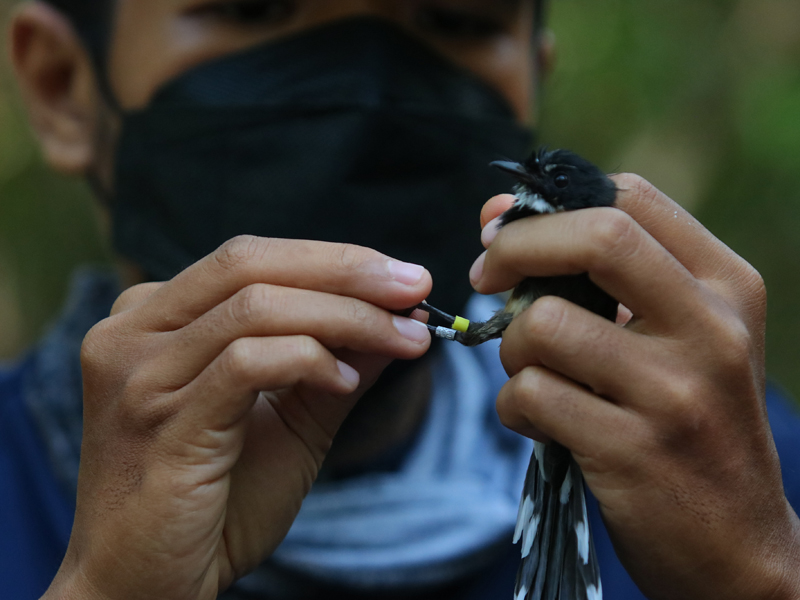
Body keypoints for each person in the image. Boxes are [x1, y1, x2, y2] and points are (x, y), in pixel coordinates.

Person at [2, 1, 799, 599]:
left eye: (456, 15)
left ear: (533, 79)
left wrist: (759, 573)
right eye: (257, 8)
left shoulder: (730, 462)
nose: (367, 92)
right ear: (61, 86)